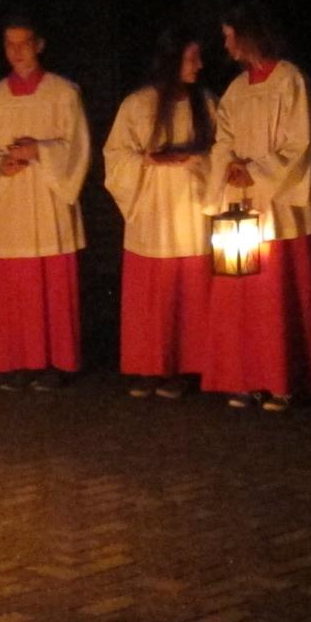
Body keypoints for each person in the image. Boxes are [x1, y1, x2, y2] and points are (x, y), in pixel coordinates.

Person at [202, 3, 311, 410]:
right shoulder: (237, 89)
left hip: (283, 209)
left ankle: (286, 379)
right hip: (245, 205)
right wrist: (231, 168)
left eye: (228, 34)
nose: (225, 43)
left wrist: (255, 171)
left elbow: (300, 144)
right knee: (247, 298)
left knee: (281, 296)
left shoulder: (292, 81)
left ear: (248, 33)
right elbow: (222, 141)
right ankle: (249, 375)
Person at [0, 17, 89, 390]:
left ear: (39, 45)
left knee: (51, 281)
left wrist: (40, 150)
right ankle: (20, 360)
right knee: (16, 285)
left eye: (23, 44)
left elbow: (78, 148)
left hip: (49, 200)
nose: (16, 52)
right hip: (12, 203)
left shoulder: (63, 93)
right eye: (9, 44)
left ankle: (56, 362)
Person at [103, 28, 216, 399]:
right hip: (152, 211)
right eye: (191, 57)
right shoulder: (138, 105)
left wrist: (194, 158)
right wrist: (149, 160)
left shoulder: (208, 104)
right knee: (153, 295)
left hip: (189, 211)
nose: (199, 65)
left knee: (188, 291)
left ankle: (185, 367)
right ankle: (151, 367)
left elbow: (222, 152)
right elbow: (116, 156)